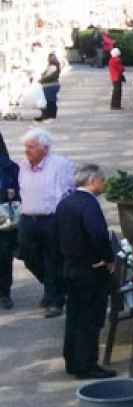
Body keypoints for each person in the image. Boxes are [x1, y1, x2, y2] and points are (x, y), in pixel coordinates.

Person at [56, 164, 115, 379]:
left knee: (74, 316)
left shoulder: (65, 203)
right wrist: (107, 258)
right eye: (102, 180)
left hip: (71, 267)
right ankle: (87, 364)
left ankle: (72, 360)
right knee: (90, 319)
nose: (104, 183)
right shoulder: (89, 204)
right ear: (92, 181)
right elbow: (98, 234)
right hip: (91, 269)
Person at [18, 128, 73, 317]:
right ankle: (55, 287)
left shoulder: (60, 165)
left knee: (53, 260)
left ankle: (55, 299)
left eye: (31, 147)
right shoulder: (23, 165)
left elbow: (65, 194)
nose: (27, 151)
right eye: (26, 147)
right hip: (28, 218)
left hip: (51, 219)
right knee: (27, 254)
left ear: (45, 148)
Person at [0, 131, 20, 310]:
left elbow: (19, 192)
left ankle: (4, 292)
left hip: (4, 219)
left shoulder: (10, 167)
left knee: (4, 256)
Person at [37, 53, 61, 121]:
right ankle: (51, 114)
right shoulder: (54, 65)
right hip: (52, 85)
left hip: (50, 85)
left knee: (48, 100)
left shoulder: (53, 66)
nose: (48, 59)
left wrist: (41, 80)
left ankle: (48, 114)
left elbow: (49, 76)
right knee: (51, 100)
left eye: (49, 57)